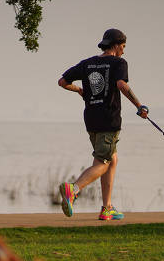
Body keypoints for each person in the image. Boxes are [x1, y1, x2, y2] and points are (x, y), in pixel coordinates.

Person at [57, 28, 148, 220]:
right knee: (103, 162)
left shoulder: (87, 63)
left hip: (91, 119)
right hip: (109, 118)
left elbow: (62, 82)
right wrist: (140, 106)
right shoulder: (119, 62)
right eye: (123, 46)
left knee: (111, 158)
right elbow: (122, 85)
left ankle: (107, 208)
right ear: (115, 45)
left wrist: (80, 90)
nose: (123, 51)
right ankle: (73, 189)